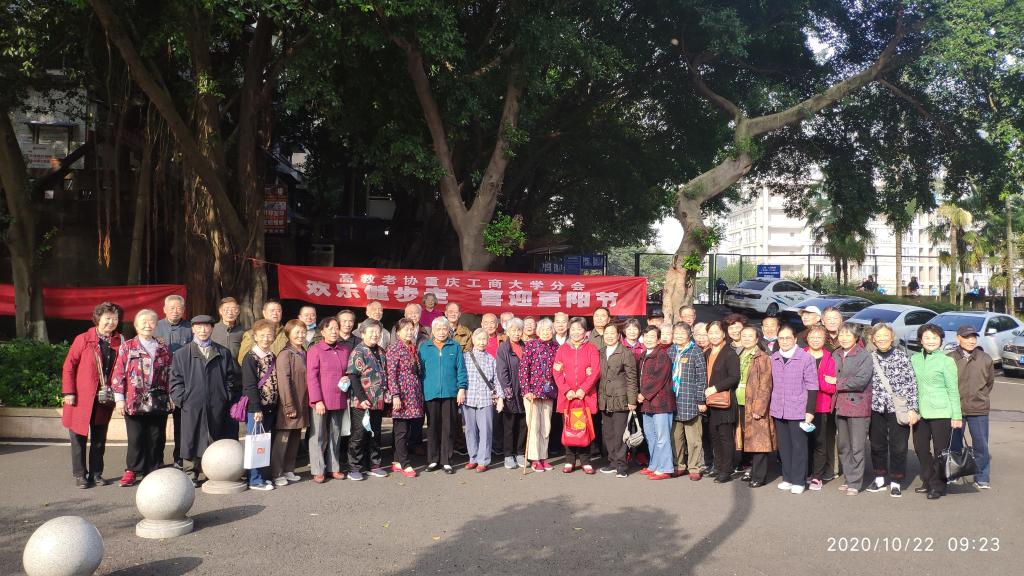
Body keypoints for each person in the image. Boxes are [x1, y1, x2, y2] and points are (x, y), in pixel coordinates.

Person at [169, 314, 241, 486]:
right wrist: (182, 399)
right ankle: (191, 472)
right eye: (199, 327)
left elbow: (232, 378)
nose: (203, 330)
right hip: (192, 405)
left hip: (217, 404)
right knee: (191, 438)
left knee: (215, 437)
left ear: (212, 329)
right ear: (193, 329)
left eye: (206, 327)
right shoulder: (182, 354)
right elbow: (175, 380)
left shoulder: (223, 352)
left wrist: (226, 395)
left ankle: (214, 471)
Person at [62, 302, 123, 488]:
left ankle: (96, 473)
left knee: (99, 438)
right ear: (98, 319)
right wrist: (69, 391)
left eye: (115, 319)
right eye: (107, 318)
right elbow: (69, 366)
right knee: (78, 437)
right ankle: (80, 474)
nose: (111, 322)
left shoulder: (119, 341)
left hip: (104, 397)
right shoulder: (83, 339)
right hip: (81, 397)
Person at [111, 308, 172, 488]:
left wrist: (171, 396)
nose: (147, 325)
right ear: (136, 326)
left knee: (156, 436)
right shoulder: (128, 346)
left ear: (156, 325)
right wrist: (119, 399)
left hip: (158, 398)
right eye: (143, 322)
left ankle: (154, 469)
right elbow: (118, 373)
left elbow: (169, 373)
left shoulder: (162, 347)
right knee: (135, 437)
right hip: (134, 399)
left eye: (151, 321)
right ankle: (132, 470)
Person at [866, 323, 919, 496]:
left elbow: (911, 383)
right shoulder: (869, 357)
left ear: (892, 338)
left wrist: (912, 408)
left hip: (898, 407)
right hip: (875, 406)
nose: (882, 339)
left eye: (885, 335)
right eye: (878, 336)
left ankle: (896, 480)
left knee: (899, 446)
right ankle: (879, 478)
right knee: (877, 444)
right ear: (873, 339)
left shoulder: (902, 357)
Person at [911, 324, 962, 500]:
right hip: (920, 412)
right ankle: (927, 479)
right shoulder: (914, 359)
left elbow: (953, 390)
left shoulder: (946, 361)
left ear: (940, 340)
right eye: (927, 338)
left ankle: (938, 485)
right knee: (920, 449)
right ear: (921, 340)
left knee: (940, 451)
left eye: (934, 338)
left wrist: (957, 416)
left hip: (941, 411)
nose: (931, 341)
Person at [769, 324, 819, 494]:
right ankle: (788, 478)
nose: (784, 341)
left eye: (788, 338)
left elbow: (812, 386)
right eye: (781, 338)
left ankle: (799, 480)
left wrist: (810, 411)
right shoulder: (774, 358)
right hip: (779, 408)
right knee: (784, 446)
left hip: (798, 408)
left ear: (795, 339)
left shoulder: (805, 358)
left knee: (799, 446)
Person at [306, 316, 353, 483]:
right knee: (318, 435)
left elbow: (348, 371)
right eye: (330, 328)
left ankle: (334, 467)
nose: (334, 331)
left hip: (338, 397)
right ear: (323, 331)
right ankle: (318, 469)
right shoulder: (315, 350)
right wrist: (317, 400)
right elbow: (311, 377)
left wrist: (347, 378)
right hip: (321, 400)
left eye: (336, 328)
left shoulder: (344, 350)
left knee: (335, 434)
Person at [419, 317, 468, 475]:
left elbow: (461, 369)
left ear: (449, 330)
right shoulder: (424, 347)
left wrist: (462, 388)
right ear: (432, 331)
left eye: (444, 329)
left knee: (448, 427)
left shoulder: (455, 346)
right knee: (432, 427)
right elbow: (420, 372)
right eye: (438, 329)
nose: (441, 332)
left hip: (450, 392)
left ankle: (446, 460)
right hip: (430, 392)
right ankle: (433, 459)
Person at [948, 325, 994, 489]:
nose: (971, 341)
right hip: (956, 409)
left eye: (973, 337)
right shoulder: (950, 358)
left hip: (978, 408)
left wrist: (980, 396)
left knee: (981, 445)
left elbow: (989, 383)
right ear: (958, 338)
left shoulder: (985, 358)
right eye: (966, 337)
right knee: (954, 444)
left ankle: (982, 477)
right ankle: (953, 473)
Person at [554, 317, 601, 474]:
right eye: (573, 329)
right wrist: (566, 390)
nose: (576, 332)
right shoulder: (562, 349)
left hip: (584, 396)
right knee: (568, 427)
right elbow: (556, 372)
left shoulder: (591, 348)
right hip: (567, 397)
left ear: (585, 331)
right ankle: (569, 460)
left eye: (579, 329)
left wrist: (583, 389)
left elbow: (595, 371)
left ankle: (585, 460)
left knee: (583, 427)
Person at [346, 319, 390, 481]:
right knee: (358, 435)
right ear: (363, 333)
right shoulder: (358, 351)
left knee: (375, 434)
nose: (375, 335)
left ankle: (374, 465)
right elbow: (353, 376)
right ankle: (354, 467)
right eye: (371, 332)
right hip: (362, 401)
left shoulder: (381, 351)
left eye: (377, 332)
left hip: (378, 400)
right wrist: (362, 398)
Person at [833, 322, 873, 495]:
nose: (844, 338)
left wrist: (837, 383)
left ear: (856, 337)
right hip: (839, 405)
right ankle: (849, 477)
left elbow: (861, 380)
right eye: (841, 334)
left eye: (848, 335)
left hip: (858, 406)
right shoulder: (835, 353)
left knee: (857, 446)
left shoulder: (864, 355)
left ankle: (855, 483)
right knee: (843, 445)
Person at [241, 319, 280, 491]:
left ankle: (263, 476)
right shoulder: (250, 357)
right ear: (255, 336)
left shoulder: (272, 356)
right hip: (256, 408)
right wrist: (256, 408)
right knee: (255, 442)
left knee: (265, 442)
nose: (266, 338)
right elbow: (249, 385)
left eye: (269, 335)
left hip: (271, 406)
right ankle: (255, 479)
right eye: (262, 335)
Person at [596, 323, 638, 478]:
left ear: (619, 335)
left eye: (612, 333)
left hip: (621, 399)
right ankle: (612, 462)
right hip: (605, 398)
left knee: (620, 434)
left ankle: (621, 465)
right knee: (608, 433)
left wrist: (632, 400)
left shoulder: (625, 353)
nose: (609, 336)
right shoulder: (601, 352)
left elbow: (632, 378)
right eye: (606, 333)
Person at [386, 318, 426, 478]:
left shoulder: (411, 347)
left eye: (411, 329)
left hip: (412, 393)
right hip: (402, 394)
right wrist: (395, 395)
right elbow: (391, 374)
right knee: (401, 430)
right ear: (398, 332)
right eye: (406, 329)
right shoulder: (394, 348)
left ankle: (397, 460)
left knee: (406, 428)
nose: (409, 332)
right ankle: (405, 463)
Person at [155, 294, 191, 469]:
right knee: (158, 425)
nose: (175, 311)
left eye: (179, 308)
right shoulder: (155, 326)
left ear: (183, 310)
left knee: (181, 424)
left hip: (183, 382)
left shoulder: (190, 328)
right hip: (160, 382)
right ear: (164, 310)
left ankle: (179, 458)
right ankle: (157, 459)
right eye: (171, 308)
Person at [271, 319, 309, 486]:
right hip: (290, 402)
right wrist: (289, 405)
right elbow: (284, 382)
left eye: (303, 332)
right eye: (297, 332)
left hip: (302, 401)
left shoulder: (303, 352)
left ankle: (288, 469)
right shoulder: (285, 354)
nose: (301, 335)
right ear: (288, 334)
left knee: (295, 436)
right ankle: (277, 472)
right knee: (283, 438)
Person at [668, 322, 707, 481]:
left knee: (694, 439)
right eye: (676, 333)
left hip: (690, 400)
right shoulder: (670, 351)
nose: (678, 336)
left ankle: (694, 467)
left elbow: (702, 378)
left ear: (689, 335)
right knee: (675, 438)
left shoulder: (696, 351)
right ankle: (679, 465)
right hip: (673, 400)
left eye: (682, 333)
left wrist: (700, 400)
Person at [519, 318, 558, 471]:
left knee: (546, 426)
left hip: (549, 392)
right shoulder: (531, 345)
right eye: (543, 330)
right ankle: (535, 458)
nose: (546, 332)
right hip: (532, 393)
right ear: (538, 331)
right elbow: (523, 369)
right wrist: (526, 390)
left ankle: (543, 457)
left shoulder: (556, 347)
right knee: (534, 425)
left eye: (549, 329)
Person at [704, 322, 740, 483]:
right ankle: (718, 466)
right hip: (710, 401)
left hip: (724, 401)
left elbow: (734, 377)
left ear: (724, 334)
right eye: (710, 333)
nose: (713, 336)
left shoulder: (730, 353)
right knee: (714, 435)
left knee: (725, 436)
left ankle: (727, 470)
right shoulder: (707, 352)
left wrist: (715, 388)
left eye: (716, 332)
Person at [463, 328, 503, 472]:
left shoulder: (491, 359)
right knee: (470, 430)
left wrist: (500, 398)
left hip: (485, 399)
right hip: (469, 399)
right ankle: (473, 458)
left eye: (484, 339)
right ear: (473, 340)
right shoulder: (465, 357)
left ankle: (483, 460)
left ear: (488, 341)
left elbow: (497, 380)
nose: (481, 342)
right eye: (479, 339)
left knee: (485, 431)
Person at [637, 325, 674, 480]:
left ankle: (665, 468)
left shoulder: (662, 356)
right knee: (651, 436)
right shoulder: (644, 354)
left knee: (662, 437)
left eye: (652, 336)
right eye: (646, 336)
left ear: (658, 340)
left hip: (661, 403)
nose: (649, 339)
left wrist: (643, 394)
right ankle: (654, 465)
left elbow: (658, 378)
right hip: (647, 403)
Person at [739, 326, 774, 487]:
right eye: (744, 336)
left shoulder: (762, 357)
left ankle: (759, 476)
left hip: (755, 404)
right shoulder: (740, 354)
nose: (746, 339)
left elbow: (765, 385)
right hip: (741, 403)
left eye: (750, 336)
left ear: (757, 339)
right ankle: (752, 471)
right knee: (749, 440)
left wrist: (759, 408)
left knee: (759, 441)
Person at [804, 326, 837, 490]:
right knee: (804, 442)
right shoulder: (800, 354)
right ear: (807, 338)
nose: (815, 340)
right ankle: (806, 472)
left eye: (819, 337)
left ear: (825, 340)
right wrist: (822, 379)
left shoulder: (830, 359)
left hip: (821, 406)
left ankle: (817, 476)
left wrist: (813, 380)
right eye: (812, 336)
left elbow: (832, 387)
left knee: (819, 442)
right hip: (800, 406)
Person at [496, 318, 527, 469]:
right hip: (510, 392)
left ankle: (520, 453)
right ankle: (508, 455)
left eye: (519, 330)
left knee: (523, 425)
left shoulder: (526, 347)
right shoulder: (503, 348)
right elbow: (502, 372)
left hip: (525, 392)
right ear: (507, 332)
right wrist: (508, 392)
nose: (516, 333)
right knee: (509, 427)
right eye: (513, 330)